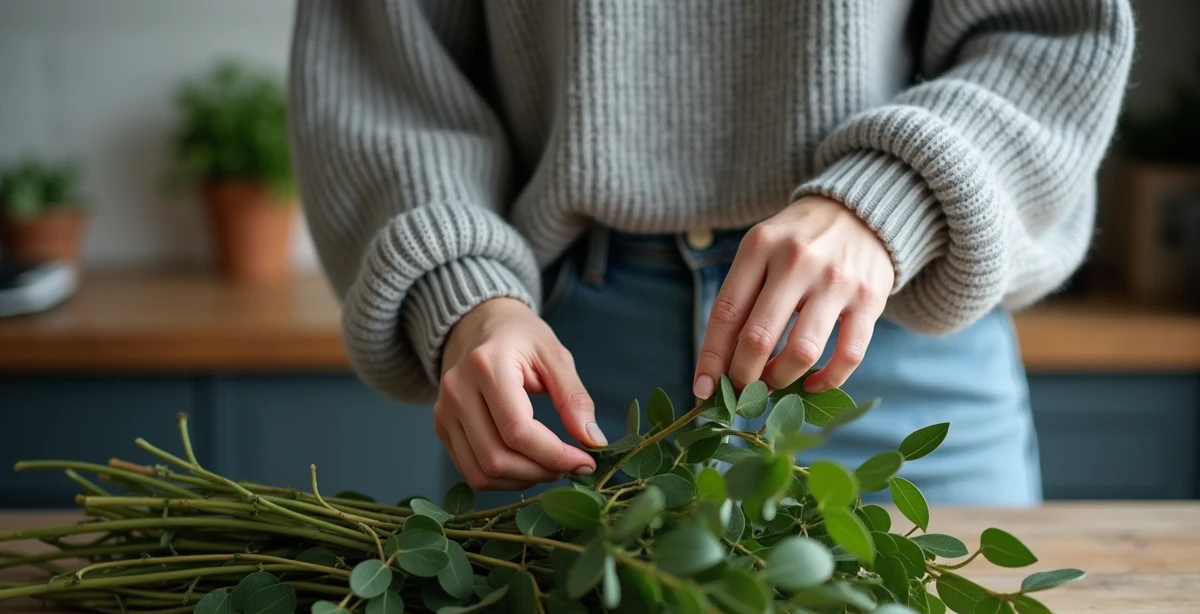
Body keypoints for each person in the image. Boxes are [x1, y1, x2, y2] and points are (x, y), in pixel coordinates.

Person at [289, 0, 1134, 506]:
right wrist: (465, 297)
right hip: (560, 369)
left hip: (886, 327)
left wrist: (891, 197)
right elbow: (383, 72)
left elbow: (1055, 33)